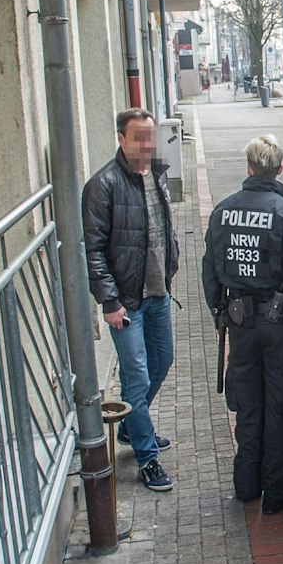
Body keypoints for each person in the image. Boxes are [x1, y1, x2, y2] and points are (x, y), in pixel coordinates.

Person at [203, 134, 283, 513]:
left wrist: (221, 313)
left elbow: (210, 272)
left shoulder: (222, 211)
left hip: (240, 326)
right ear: (279, 169)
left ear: (249, 167)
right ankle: (277, 491)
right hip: (281, 325)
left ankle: (246, 484)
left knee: (249, 407)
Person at [84, 108, 180, 492]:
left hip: (157, 293)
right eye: (138, 136)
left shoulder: (156, 173)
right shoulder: (103, 185)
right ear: (121, 139)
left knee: (163, 361)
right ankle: (146, 456)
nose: (146, 144)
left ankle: (130, 425)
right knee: (136, 377)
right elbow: (92, 250)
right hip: (126, 301)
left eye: (150, 136)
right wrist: (109, 302)